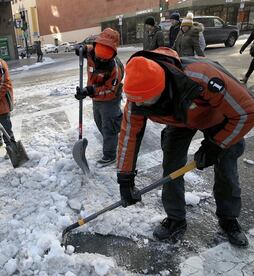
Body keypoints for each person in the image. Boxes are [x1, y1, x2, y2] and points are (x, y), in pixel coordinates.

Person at [117, 47, 254, 247]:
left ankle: (228, 218)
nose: (142, 106)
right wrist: (125, 178)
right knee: (171, 166)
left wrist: (216, 145)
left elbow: (246, 112)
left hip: (220, 118)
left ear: (163, 88)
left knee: (226, 166)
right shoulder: (137, 97)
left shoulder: (202, 77)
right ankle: (175, 218)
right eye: (139, 102)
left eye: (148, 101)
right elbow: (129, 136)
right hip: (180, 120)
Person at [75, 28, 124, 167]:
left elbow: (109, 90)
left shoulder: (115, 69)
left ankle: (110, 155)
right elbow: (85, 48)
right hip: (96, 99)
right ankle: (120, 126)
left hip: (110, 99)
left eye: (104, 58)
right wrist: (79, 48)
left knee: (108, 127)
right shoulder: (92, 51)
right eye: (98, 56)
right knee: (99, 122)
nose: (100, 59)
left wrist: (89, 90)